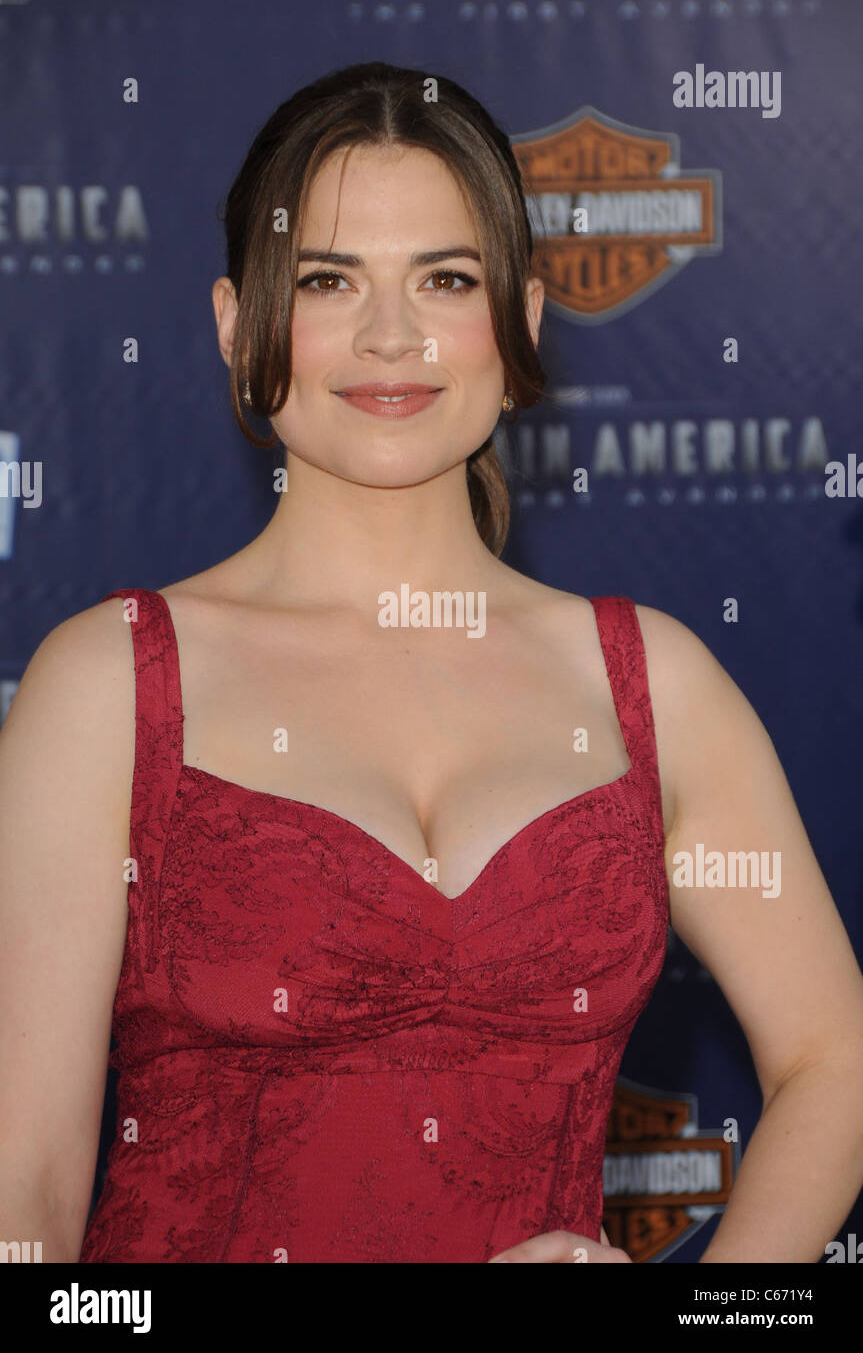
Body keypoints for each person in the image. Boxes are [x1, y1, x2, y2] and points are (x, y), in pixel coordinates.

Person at [1, 62, 862, 1265]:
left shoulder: (651, 684)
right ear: (237, 324)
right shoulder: (107, 688)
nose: (391, 335)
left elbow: (836, 1063)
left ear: (519, 319)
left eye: (445, 279)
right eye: (327, 280)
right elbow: (22, 1206)